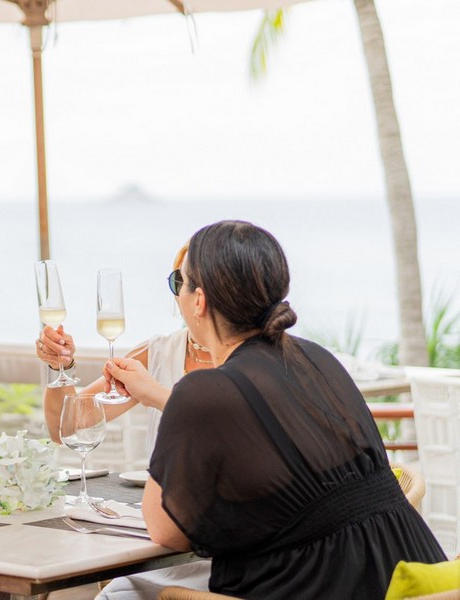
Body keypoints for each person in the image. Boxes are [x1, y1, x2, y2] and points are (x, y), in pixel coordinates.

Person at [103, 220, 445, 599]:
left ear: (198, 301)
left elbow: (165, 530)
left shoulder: (203, 393)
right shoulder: (316, 359)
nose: (177, 295)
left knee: (120, 593)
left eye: (177, 283)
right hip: (406, 570)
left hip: (321, 584)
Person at [35, 244, 213, 599]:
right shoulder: (159, 352)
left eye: (186, 281)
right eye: (176, 280)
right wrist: (61, 367)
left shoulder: (254, 361)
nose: (181, 292)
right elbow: (65, 428)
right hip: (165, 544)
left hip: (230, 553)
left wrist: (156, 396)